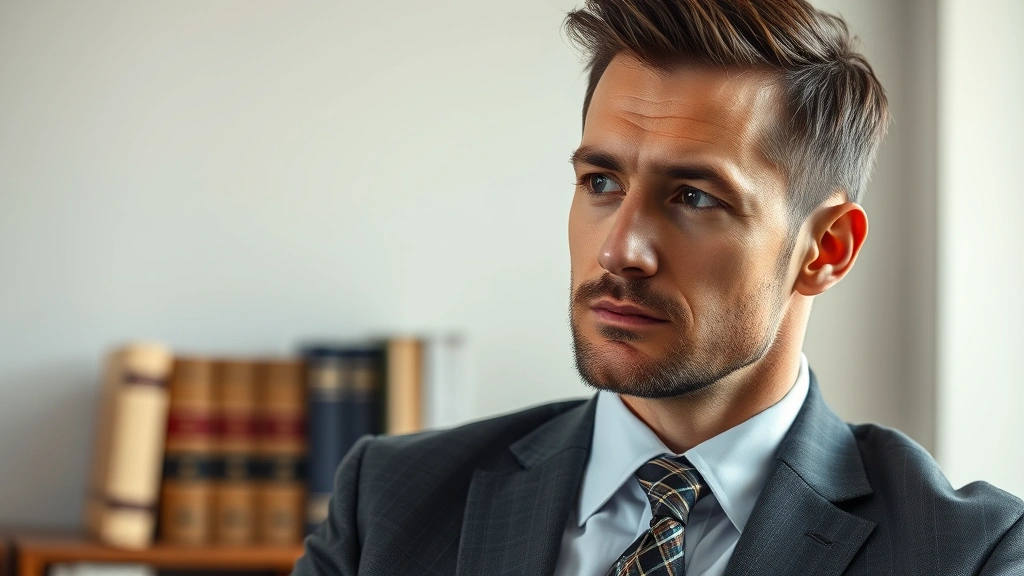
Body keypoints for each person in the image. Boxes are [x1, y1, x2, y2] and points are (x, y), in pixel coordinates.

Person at [291, 1, 1024, 574]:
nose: (619, 251)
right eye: (600, 182)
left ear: (825, 249)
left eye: (694, 197)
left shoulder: (972, 555)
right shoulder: (388, 502)